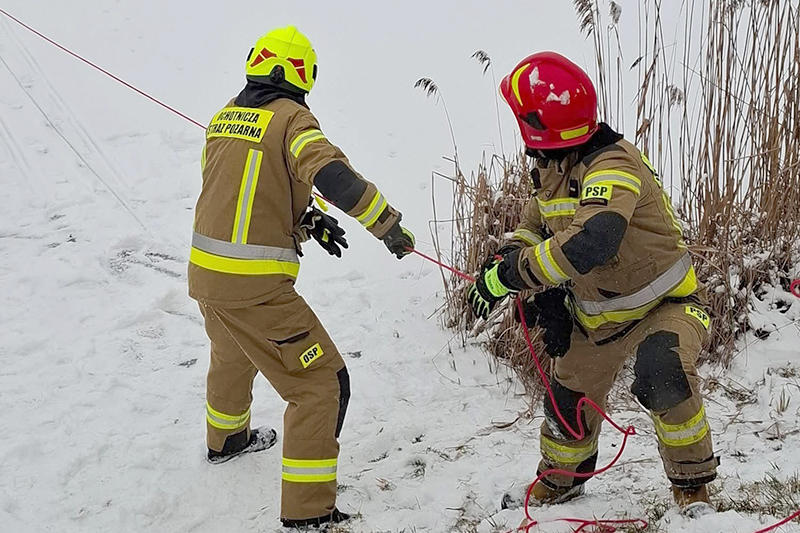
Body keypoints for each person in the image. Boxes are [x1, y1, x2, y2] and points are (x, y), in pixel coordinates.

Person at [467, 52, 718, 517]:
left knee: (662, 369)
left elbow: (593, 242)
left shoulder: (612, 164)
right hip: (595, 318)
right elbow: (537, 224)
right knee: (566, 400)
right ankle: (562, 482)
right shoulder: (553, 165)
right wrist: (507, 256)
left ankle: (692, 490)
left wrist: (514, 275)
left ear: (536, 124)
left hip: (665, 305)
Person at [188, 26, 415, 527]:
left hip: (207, 275)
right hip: (256, 288)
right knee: (320, 384)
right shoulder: (293, 119)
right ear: (303, 75)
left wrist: (307, 218)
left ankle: (227, 439)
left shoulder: (225, 116)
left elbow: (244, 188)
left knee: (233, 351)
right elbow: (330, 173)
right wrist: (387, 224)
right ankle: (309, 514)